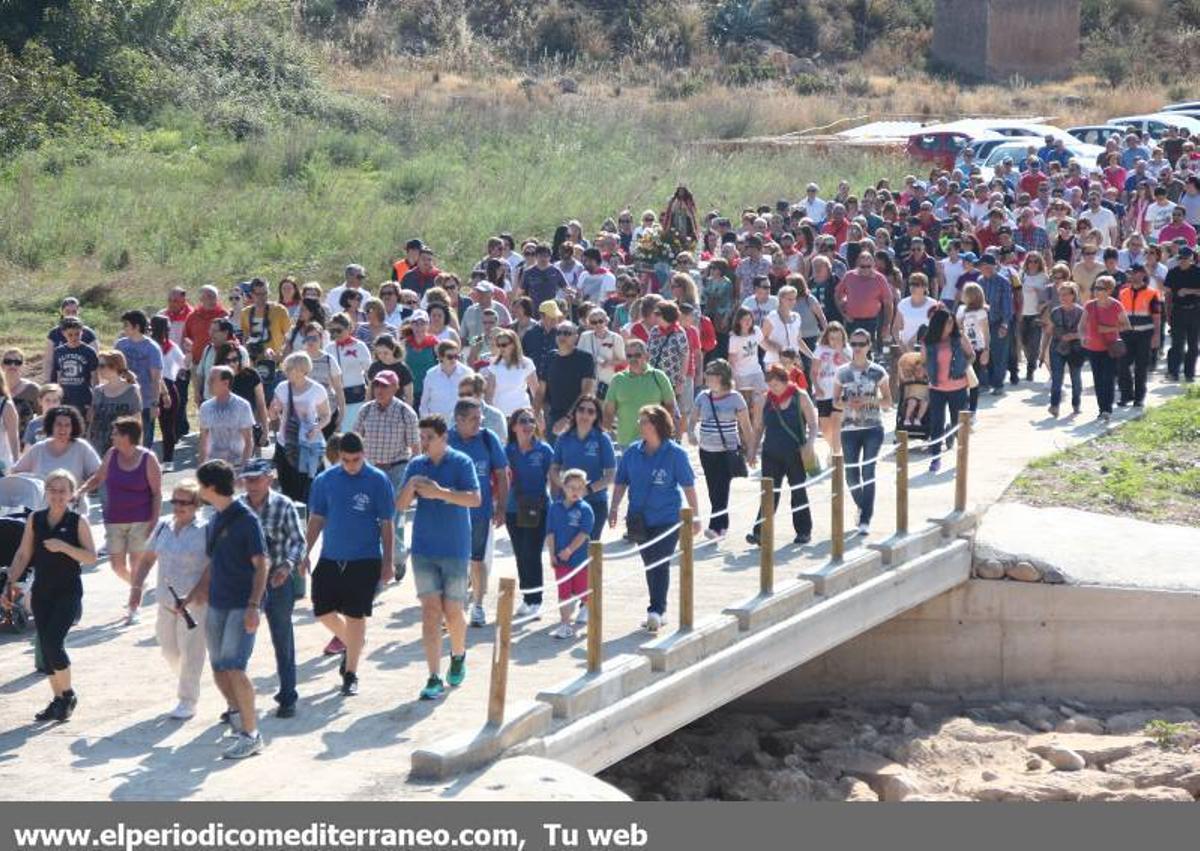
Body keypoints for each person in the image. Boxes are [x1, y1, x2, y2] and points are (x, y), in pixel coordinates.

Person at [300, 431, 395, 697]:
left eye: (356, 459)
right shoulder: (324, 481)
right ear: (338, 457)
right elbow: (316, 519)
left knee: (356, 616)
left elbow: (387, 524)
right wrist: (304, 552)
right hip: (331, 556)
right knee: (322, 611)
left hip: (365, 559)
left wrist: (388, 562)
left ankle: (351, 673)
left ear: (364, 454)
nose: (352, 465)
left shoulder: (378, 480)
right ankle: (354, 642)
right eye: (346, 460)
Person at [397, 414, 481, 701]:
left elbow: (474, 499)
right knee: (430, 612)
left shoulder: (461, 462)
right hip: (423, 549)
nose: (424, 443)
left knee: (453, 612)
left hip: (456, 548)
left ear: (444, 438)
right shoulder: (416, 465)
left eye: (429, 438)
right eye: (421, 437)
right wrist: (411, 487)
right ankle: (433, 676)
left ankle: (458, 655)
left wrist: (439, 492)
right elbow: (400, 504)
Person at [4, 469, 96, 722]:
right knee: (46, 647)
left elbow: (91, 557)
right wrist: (8, 581)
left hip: (67, 593)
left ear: (71, 494)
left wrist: (64, 547)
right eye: (52, 490)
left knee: (54, 643)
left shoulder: (78, 522)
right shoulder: (36, 519)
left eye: (62, 491)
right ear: (46, 492)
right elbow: (23, 554)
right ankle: (58, 700)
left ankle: (67, 695)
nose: (57, 495)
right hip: (42, 592)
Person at [192, 460, 268, 759]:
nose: (198, 490)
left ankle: (252, 735)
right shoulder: (215, 518)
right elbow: (213, 562)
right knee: (220, 667)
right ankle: (239, 722)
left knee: (235, 667)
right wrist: (196, 591)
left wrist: (253, 606)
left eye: (200, 485)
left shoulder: (246, 519)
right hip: (217, 604)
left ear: (210, 487)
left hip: (241, 605)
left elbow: (262, 564)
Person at [609, 404, 699, 634]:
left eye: (644, 422)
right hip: (639, 519)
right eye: (640, 421)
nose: (640, 425)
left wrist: (695, 515)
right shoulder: (632, 452)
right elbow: (621, 481)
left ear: (657, 425)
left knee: (660, 560)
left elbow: (688, 485)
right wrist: (614, 507)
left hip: (668, 518)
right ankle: (659, 608)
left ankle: (656, 610)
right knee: (650, 563)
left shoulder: (676, 454)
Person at [129, 479, 209, 720]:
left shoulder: (206, 529)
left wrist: (199, 592)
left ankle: (188, 700)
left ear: (196, 504)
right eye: (175, 501)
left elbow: (215, 565)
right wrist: (136, 587)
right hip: (166, 601)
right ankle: (189, 680)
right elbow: (147, 558)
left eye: (184, 502)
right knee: (169, 650)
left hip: (195, 603)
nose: (178, 506)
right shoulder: (164, 525)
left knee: (191, 652)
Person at [238, 459, 305, 718]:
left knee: (282, 638)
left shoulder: (283, 505)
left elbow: (298, 542)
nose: (252, 485)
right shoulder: (239, 508)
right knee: (239, 643)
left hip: (277, 580)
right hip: (245, 583)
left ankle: (288, 696)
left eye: (256, 479)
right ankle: (236, 702)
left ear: (269, 479)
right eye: (247, 479)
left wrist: (288, 566)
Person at [79, 416, 161, 624]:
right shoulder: (111, 454)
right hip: (114, 519)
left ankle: (134, 608)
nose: (112, 436)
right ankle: (138, 586)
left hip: (141, 519)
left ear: (127, 436)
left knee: (136, 563)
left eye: (115, 433)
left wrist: (154, 520)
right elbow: (98, 478)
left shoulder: (148, 458)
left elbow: (157, 493)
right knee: (117, 566)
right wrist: (80, 491)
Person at [353, 370, 420, 582]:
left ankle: (395, 558)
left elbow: (415, 448)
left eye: (384, 386)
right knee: (371, 516)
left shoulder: (405, 412)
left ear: (395, 388)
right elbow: (355, 440)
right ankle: (384, 558)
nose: (379, 390)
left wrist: (414, 478)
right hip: (371, 470)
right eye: (377, 386)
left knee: (392, 515)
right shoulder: (365, 411)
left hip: (397, 468)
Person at [447, 398, 507, 628]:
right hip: (451, 514)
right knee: (453, 562)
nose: (479, 423)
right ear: (459, 420)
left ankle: (478, 606)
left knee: (477, 560)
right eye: (473, 419)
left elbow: (502, 474)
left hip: (480, 512)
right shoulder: (447, 439)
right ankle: (454, 608)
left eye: (480, 418)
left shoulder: (488, 438)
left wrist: (500, 506)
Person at [750, 363, 818, 545]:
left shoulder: (800, 396)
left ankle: (804, 531)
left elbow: (813, 424)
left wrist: (810, 444)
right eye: (770, 385)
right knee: (769, 493)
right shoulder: (764, 400)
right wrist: (752, 451)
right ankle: (760, 532)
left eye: (776, 385)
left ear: (785, 381)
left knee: (798, 490)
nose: (772, 389)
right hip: (771, 452)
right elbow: (758, 428)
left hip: (795, 452)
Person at [833, 328, 892, 536]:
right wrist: (847, 402)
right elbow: (835, 402)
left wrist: (868, 400)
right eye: (854, 344)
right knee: (851, 475)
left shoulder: (878, 372)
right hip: (849, 428)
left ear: (868, 346)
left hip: (873, 427)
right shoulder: (842, 372)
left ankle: (866, 518)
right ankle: (862, 506)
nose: (857, 349)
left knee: (868, 471)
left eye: (861, 344)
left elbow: (888, 402)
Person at [691, 360, 755, 541]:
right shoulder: (703, 396)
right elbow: (693, 418)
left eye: (712, 375)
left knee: (721, 488)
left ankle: (716, 527)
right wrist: (691, 433)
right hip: (706, 450)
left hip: (727, 450)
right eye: (708, 375)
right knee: (713, 489)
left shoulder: (736, 398)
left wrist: (751, 450)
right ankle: (722, 525)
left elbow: (746, 426)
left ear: (722, 377)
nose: (708, 379)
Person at [504, 407, 553, 619]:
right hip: (513, 508)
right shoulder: (507, 451)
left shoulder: (544, 450)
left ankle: (536, 599)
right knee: (520, 554)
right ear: (513, 426)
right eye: (523, 421)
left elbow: (554, 478)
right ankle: (527, 597)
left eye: (531, 421)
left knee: (532, 553)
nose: (527, 425)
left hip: (538, 508)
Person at [269, 352, 332, 503]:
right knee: (287, 489)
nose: (287, 372)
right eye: (287, 368)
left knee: (307, 489)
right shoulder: (282, 388)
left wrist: (316, 428)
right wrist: (272, 411)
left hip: (308, 446)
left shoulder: (317, 389)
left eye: (290, 369)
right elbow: (272, 416)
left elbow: (326, 415)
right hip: (285, 444)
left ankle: (308, 522)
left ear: (302, 370)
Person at [11, 406, 101, 511]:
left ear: (73, 427)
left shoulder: (81, 447)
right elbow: (16, 472)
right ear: (51, 426)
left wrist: (80, 491)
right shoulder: (39, 449)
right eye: (59, 424)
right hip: (42, 511)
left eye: (67, 425)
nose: (63, 429)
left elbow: (98, 474)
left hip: (74, 510)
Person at [544, 469, 594, 640]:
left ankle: (594, 616)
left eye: (579, 488)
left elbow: (583, 534)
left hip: (579, 560)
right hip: (560, 561)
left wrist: (569, 550)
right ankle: (565, 624)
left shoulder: (586, 509)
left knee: (582, 591)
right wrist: (552, 554)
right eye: (571, 487)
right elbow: (550, 533)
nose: (575, 491)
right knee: (563, 592)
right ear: (563, 487)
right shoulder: (554, 508)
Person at [924, 309, 975, 471]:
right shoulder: (928, 341)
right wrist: (929, 376)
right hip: (937, 388)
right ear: (939, 324)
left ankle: (961, 458)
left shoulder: (959, 338)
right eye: (948, 322)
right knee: (936, 424)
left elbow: (971, 355)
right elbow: (924, 361)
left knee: (958, 424)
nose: (951, 325)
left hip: (958, 387)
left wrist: (963, 367)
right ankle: (935, 458)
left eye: (952, 322)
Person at [603, 338, 675, 447]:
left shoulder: (659, 376)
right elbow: (609, 411)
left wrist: (665, 432)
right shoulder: (617, 379)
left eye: (637, 355)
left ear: (646, 356)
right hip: (626, 442)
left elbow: (670, 407)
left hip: (654, 440)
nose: (633, 359)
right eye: (629, 356)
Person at [1081, 275, 1131, 421]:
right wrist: (1083, 336)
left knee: (1108, 379)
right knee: (1098, 380)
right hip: (1093, 348)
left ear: (1109, 290)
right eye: (1095, 287)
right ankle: (1101, 408)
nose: (1097, 291)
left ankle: (1107, 409)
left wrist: (1108, 329)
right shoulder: (1089, 305)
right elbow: (1082, 325)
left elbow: (1127, 326)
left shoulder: (1116, 305)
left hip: (1110, 348)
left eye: (1100, 288)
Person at [115, 310, 164, 448]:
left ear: (136, 327)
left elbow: (156, 379)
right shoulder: (120, 345)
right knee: (122, 439)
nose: (124, 328)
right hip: (123, 399)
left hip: (145, 402)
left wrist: (155, 403)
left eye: (126, 325)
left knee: (144, 441)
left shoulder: (152, 348)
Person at [1117, 264, 1162, 408]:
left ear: (1142, 274)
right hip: (1126, 334)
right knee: (1122, 365)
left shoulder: (1152, 293)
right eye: (1130, 273)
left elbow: (1156, 317)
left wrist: (1156, 336)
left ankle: (1139, 398)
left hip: (1144, 334)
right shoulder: (1123, 292)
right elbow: (1119, 314)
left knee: (1141, 367)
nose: (1131, 276)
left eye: (1134, 273)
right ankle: (1126, 395)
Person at [1041, 282, 1087, 418]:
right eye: (1061, 295)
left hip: (1076, 349)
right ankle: (1054, 405)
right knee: (1056, 377)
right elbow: (1049, 332)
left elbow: (1087, 332)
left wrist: (1073, 335)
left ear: (1074, 295)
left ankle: (1076, 403)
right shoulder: (1055, 312)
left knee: (1075, 377)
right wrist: (1043, 351)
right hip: (1057, 347)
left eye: (1067, 294)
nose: (1063, 297)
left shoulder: (1081, 312)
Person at [543, 322, 596, 438]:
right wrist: (539, 415)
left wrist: (567, 418)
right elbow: (541, 390)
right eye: (559, 333)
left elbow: (587, 392)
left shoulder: (585, 358)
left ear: (576, 337)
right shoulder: (550, 357)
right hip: (553, 419)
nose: (562, 336)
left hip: (579, 417)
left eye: (567, 333)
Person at [86, 350, 142, 458]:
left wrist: (138, 451)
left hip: (123, 447)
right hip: (99, 447)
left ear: (114, 366)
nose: (99, 369)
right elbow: (92, 423)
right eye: (98, 365)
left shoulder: (131, 390)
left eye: (102, 366)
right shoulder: (98, 391)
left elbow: (138, 423)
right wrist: (88, 445)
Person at [198, 366, 255, 469]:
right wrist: (201, 468)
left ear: (226, 383)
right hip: (213, 467)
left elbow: (249, 441)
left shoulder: (242, 406)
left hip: (236, 465)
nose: (208, 383)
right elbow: (203, 440)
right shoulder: (205, 407)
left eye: (212, 380)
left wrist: (243, 470)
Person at [811, 322, 851, 456]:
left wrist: (840, 351)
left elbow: (851, 366)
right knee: (825, 427)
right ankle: (833, 448)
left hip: (840, 391)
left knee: (836, 422)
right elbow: (814, 371)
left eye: (838, 338)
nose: (835, 341)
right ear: (827, 337)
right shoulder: (820, 349)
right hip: (823, 391)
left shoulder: (847, 349)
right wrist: (816, 387)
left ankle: (836, 453)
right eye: (832, 338)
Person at [220, 345, 270, 452]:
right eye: (227, 360)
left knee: (250, 465)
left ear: (240, 359)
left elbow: (261, 404)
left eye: (235, 360)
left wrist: (265, 431)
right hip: (226, 432)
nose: (232, 363)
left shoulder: (251, 375)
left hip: (250, 429)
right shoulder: (218, 377)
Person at [325, 314, 372, 428]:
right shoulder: (328, 348)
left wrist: (368, 398)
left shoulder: (359, 346)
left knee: (351, 431)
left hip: (356, 396)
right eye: (332, 331)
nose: (335, 334)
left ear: (349, 329)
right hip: (335, 398)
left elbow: (369, 374)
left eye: (339, 330)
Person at [976, 255, 1013, 395]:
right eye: (981, 266)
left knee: (999, 355)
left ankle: (998, 384)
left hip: (998, 322)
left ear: (992, 266)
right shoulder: (979, 281)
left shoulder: (1003, 282)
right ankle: (984, 383)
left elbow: (1007, 304)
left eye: (985, 266)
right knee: (983, 352)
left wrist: (1005, 324)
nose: (983, 269)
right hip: (982, 323)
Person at [49, 317, 99, 418]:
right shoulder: (59, 351)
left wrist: (93, 405)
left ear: (82, 332)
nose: (74, 338)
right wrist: (57, 399)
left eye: (77, 334)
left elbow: (95, 380)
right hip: (65, 399)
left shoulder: (89, 351)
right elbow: (59, 376)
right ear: (63, 333)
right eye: (70, 335)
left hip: (83, 398)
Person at [726, 307, 766, 434]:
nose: (748, 322)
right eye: (744, 320)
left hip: (756, 372)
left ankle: (756, 431)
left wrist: (779, 350)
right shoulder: (734, 338)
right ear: (738, 321)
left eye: (750, 319)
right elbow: (731, 360)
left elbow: (765, 345)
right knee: (743, 406)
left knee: (760, 402)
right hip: (740, 374)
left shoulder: (756, 332)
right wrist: (732, 378)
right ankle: (744, 434)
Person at [483, 329, 539, 418]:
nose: (501, 348)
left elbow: (536, 391)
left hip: (523, 415)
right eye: (498, 345)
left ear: (514, 344)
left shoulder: (527, 363)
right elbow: (489, 393)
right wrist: (489, 415)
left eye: (504, 345)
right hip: (501, 416)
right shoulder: (494, 364)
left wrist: (539, 413)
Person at [1165, 246, 1200, 382]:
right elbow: (1168, 293)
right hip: (1178, 310)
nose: (1182, 261)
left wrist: (1188, 291)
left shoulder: (1197, 272)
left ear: (1191, 259)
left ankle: (1189, 373)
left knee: (1193, 344)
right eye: (1180, 258)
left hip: (1195, 310)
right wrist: (1168, 313)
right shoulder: (1173, 273)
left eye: (1185, 258)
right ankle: (1173, 372)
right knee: (1177, 344)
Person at [956, 283, 991, 414]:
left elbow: (985, 331)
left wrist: (986, 349)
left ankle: (973, 409)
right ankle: (962, 406)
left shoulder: (981, 311)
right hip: (963, 347)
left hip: (977, 348)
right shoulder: (961, 309)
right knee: (961, 377)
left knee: (973, 379)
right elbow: (957, 327)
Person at [577, 309, 625, 399]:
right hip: (587, 382)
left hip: (607, 382)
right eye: (593, 322)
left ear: (606, 321)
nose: (598, 325)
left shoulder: (616, 338)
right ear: (589, 323)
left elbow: (623, 360)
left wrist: (609, 362)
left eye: (600, 321)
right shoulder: (584, 336)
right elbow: (578, 358)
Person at [421, 340, 473, 418]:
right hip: (436, 424)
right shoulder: (431, 375)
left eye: (456, 356)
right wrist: (426, 422)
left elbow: (473, 398)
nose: (454, 359)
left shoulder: (467, 373)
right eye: (450, 357)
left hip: (460, 423)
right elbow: (424, 403)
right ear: (441, 357)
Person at [2, 348, 40, 446]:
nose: (12, 365)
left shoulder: (33, 389)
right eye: (8, 362)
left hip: (26, 445)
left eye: (17, 362)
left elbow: (42, 417)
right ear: (2, 365)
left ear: (23, 366)